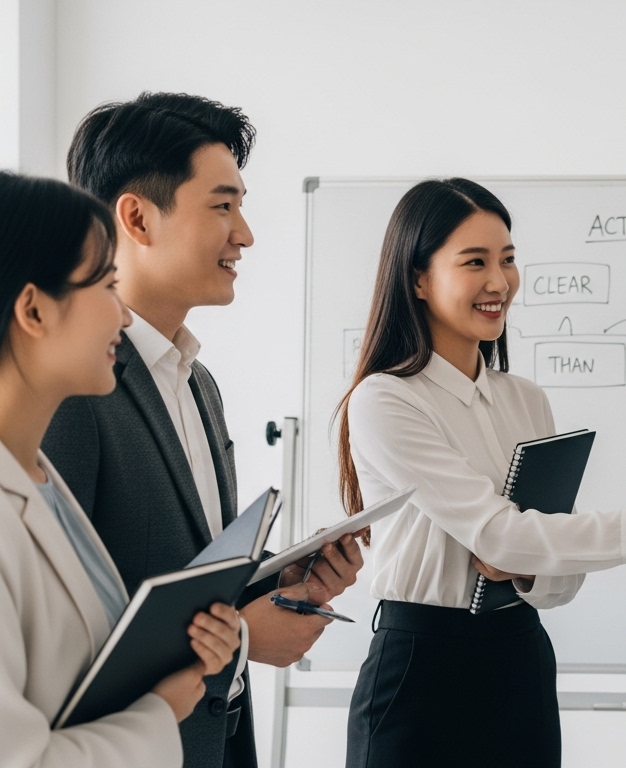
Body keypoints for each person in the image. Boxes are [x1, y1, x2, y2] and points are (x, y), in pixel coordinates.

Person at [338, 177, 626, 768]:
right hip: (421, 667)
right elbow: (504, 536)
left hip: (520, 659)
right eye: (475, 262)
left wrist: (533, 565)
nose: (499, 282)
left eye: (508, 260)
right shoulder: (385, 399)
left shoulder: (526, 400)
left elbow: (557, 571)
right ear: (418, 278)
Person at [44, 92, 365, 768]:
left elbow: (178, 578)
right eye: (222, 206)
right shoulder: (71, 388)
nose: (244, 234)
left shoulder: (198, 382)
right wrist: (245, 637)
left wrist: (277, 589)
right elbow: (53, 628)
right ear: (136, 216)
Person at [0, 171, 242, 767]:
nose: (125, 317)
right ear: (33, 309)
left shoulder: (38, 483)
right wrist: (159, 711)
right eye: (108, 285)